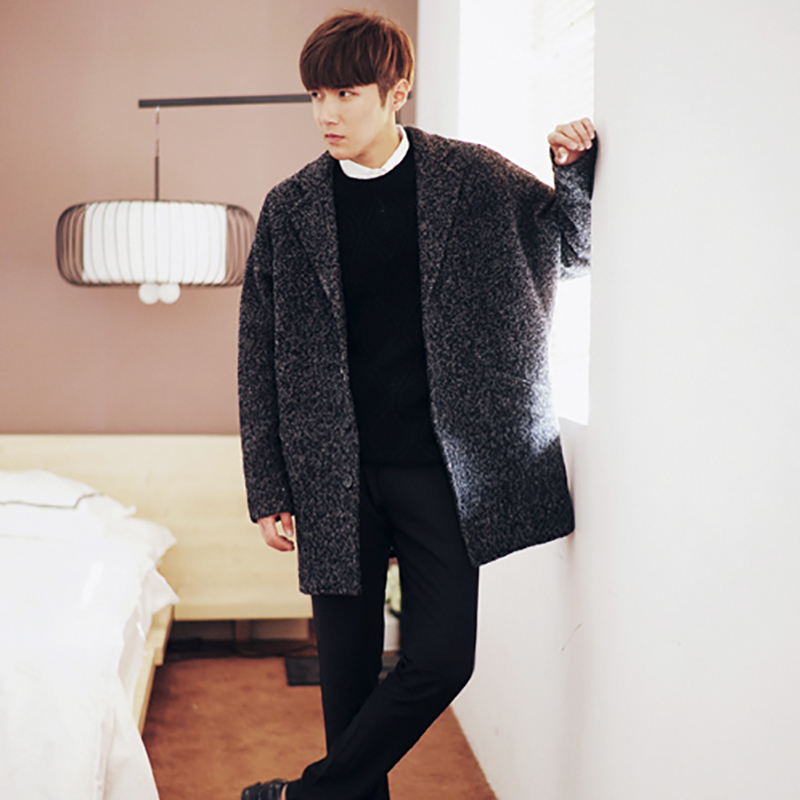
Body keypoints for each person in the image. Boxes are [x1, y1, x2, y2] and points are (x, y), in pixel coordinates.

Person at [238, 10, 596, 800]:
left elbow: (572, 248)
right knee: (346, 685)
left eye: (346, 93)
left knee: (442, 659)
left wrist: (570, 168)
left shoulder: (472, 179)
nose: (327, 114)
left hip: (438, 469)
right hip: (332, 473)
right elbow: (256, 353)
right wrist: (268, 484)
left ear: (396, 91)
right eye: (316, 95)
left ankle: (299, 796)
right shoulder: (291, 208)